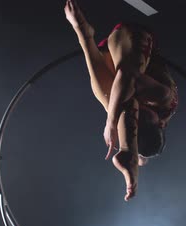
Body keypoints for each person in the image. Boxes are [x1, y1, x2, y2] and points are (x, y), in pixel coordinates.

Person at [64, 0, 178, 201]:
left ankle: (85, 35)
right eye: (143, 116)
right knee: (124, 98)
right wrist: (111, 123)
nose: (139, 111)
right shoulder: (166, 103)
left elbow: (130, 111)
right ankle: (127, 151)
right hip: (128, 41)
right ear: (159, 123)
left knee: (115, 105)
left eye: (137, 119)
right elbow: (128, 76)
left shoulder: (134, 120)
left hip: (105, 58)